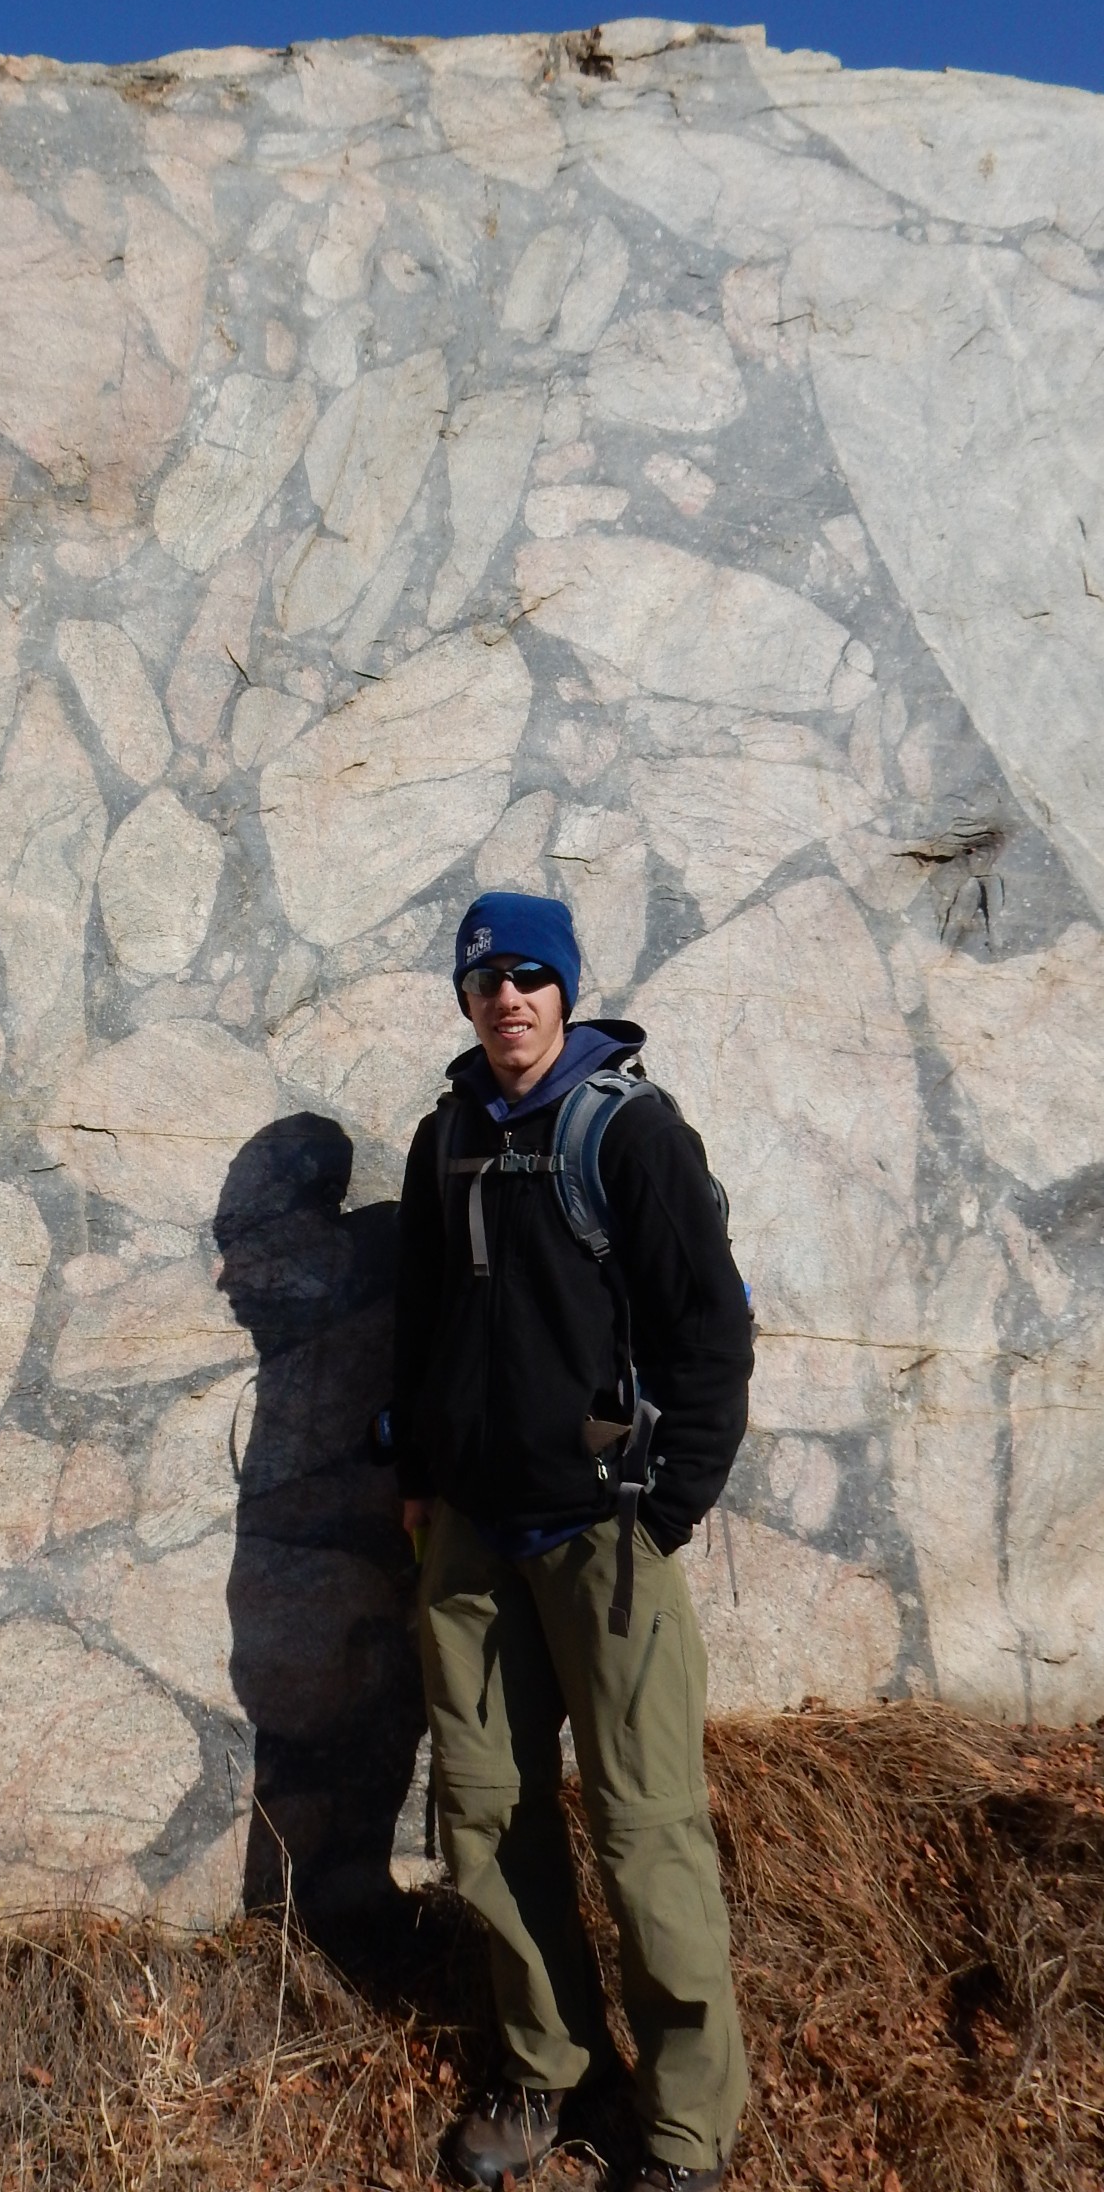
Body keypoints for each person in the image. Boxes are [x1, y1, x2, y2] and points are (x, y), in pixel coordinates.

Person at [394, 890, 753, 2190]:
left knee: (646, 1827)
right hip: (475, 1542)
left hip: (607, 1540)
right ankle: (549, 2071)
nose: (510, 1002)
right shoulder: (449, 1138)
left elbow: (710, 1329)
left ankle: (682, 2127)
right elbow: (423, 1312)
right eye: (488, 982)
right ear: (467, 999)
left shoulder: (631, 1132)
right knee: (486, 1817)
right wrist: (421, 1478)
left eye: (532, 979)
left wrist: (668, 1509)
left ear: (567, 989)